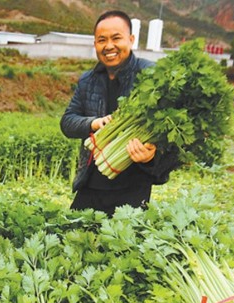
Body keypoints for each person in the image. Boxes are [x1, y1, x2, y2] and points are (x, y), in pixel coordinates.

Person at [60, 10, 180, 216]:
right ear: (95, 43)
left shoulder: (152, 76)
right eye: (101, 40)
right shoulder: (88, 80)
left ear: (131, 39)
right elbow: (67, 122)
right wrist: (94, 123)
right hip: (91, 182)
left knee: (122, 244)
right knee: (73, 237)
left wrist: (151, 156)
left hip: (133, 189)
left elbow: (173, 139)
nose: (109, 46)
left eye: (116, 38)